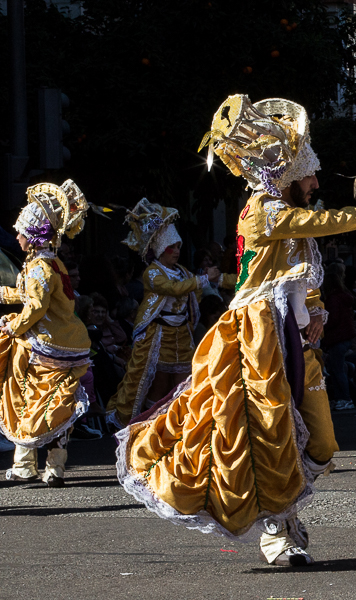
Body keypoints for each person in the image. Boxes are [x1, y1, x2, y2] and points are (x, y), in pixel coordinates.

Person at [116, 95, 356, 567]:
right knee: (268, 434)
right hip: (255, 337)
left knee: (321, 442)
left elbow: (300, 277)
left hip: (292, 338)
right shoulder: (264, 210)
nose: (315, 183)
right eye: (309, 174)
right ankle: (280, 527)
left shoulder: (291, 220)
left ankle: (283, 511)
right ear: (289, 175)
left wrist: (317, 312)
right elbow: (320, 223)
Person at [106, 200, 230, 428]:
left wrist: (234, 279)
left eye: (179, 247)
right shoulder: (152, 273)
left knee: (183, 383)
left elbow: (197, 287)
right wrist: (203, 279)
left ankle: (178, 425)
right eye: (172, 247)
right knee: (158, 384)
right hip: (159, 336)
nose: (177, 252)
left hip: (182, 335)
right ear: (161, 250)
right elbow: (173, 289)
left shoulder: (182, 271)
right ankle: (152, 427)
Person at [0, 180, 92, 486]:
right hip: (69, 343)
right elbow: (37, 297)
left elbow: (36, 307)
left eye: (21, 233)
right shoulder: (53, 264)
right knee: (59, 405)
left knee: (25, 398)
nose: (17, 237)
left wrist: (13, 326)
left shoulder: (40, 267)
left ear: (34, 235)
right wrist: (7, 294)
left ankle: (25, 465)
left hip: (45, 346)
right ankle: (55, 468)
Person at [321, 262, 356, 411]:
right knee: (338, 368)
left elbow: (333, 319)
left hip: (336, 337)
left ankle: (344, 398)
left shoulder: (333, 299)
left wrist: (323, 324)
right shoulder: (345, 297)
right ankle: (341, 398)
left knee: (338, 370)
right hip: (345, 336)